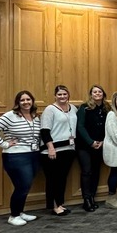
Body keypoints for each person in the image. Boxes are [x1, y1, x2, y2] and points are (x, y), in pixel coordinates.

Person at [0, 91, 41, 225]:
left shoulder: (35, 116)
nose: (26, 102)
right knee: (23, 185)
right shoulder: (10, 116)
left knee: (25, 186)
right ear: (18, 102)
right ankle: (13, 216)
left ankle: (20, 212)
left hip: (33, 154)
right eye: (22, 100)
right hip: (16, 156)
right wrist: (4, 143)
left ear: (32, 101)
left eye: (28, 99)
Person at [40, 85, 77, 216]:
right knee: (53, 179)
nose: (62, 97)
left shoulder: (73, 109)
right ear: (55, 96)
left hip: (69, 149)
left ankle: (60, 203)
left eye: (64, 94)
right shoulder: (50, 109)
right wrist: (51, 148)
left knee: (62, 178)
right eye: (59, 94)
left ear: (68, 95)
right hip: (53, 150)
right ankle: (55, 206)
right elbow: (44, 131)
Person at [76, 84, 111, 212]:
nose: (97, 94)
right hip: (85, 146)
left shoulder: (107, 108)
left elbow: (109, 127)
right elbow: (80, 127)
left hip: (100, 145)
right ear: (91, 94)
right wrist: (91, 142)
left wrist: (102, 141)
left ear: (103, 94)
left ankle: (92, 197)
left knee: (96, 172)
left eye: (99, 92)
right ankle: (86, 200)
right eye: (94, 92)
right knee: (87, 171)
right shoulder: (84, 108)